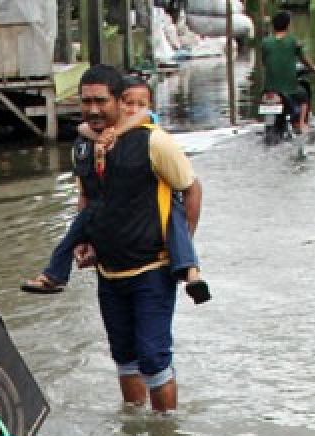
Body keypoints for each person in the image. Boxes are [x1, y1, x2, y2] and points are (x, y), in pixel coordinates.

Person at [22, 76, 210, 306]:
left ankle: (191, 273)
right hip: (111, 257)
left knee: (177, 228)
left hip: (159, 209)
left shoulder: (150, 135)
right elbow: (85, 188)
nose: (134, 109)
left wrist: (115, 133)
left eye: (141, 103)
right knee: (74, 232)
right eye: (129, 103)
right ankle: (55, 273)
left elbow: (192, 187)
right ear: (119, 103)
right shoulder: (90, 143)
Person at [259, 11, 315, 134]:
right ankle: (301, 124)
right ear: (287, 25)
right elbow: (304, 59)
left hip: (269, 90)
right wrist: (314, 68)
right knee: (304, 96)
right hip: (289, 88)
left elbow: (265, 62)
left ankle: (271, 125)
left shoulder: (265, 43)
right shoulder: (293, 41)